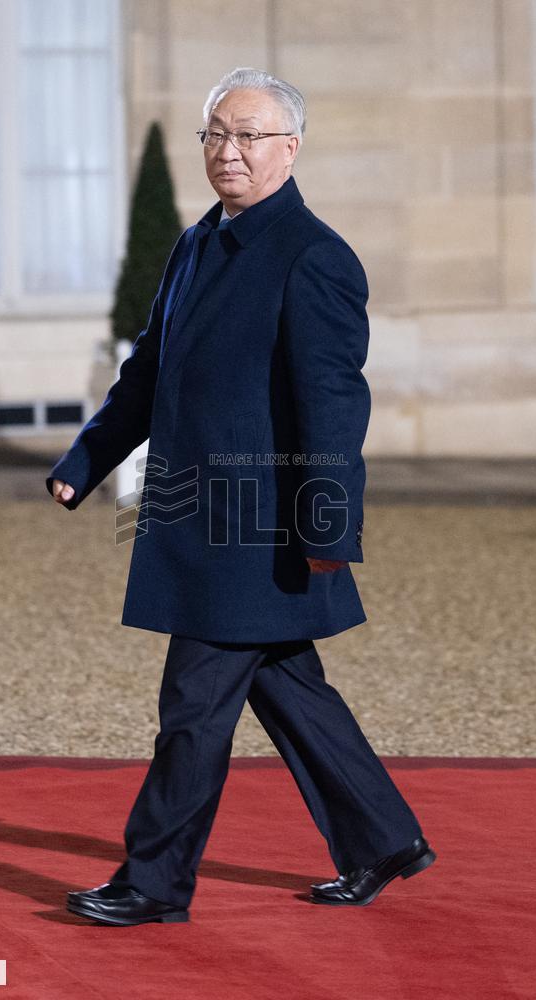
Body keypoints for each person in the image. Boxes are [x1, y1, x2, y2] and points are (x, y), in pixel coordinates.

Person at [46, 67, 436, 927]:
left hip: (259, 534)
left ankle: (153, 882)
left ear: (290, 150)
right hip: (199, 520)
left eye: (250, 135)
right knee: (290, 687)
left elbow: (335, 406)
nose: (230, 150)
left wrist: (329, 523)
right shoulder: (194, 245)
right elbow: (148, 372)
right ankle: (381, 839)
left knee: (192, 706)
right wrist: (88, 456)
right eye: (217, 132)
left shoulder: (316, 258)